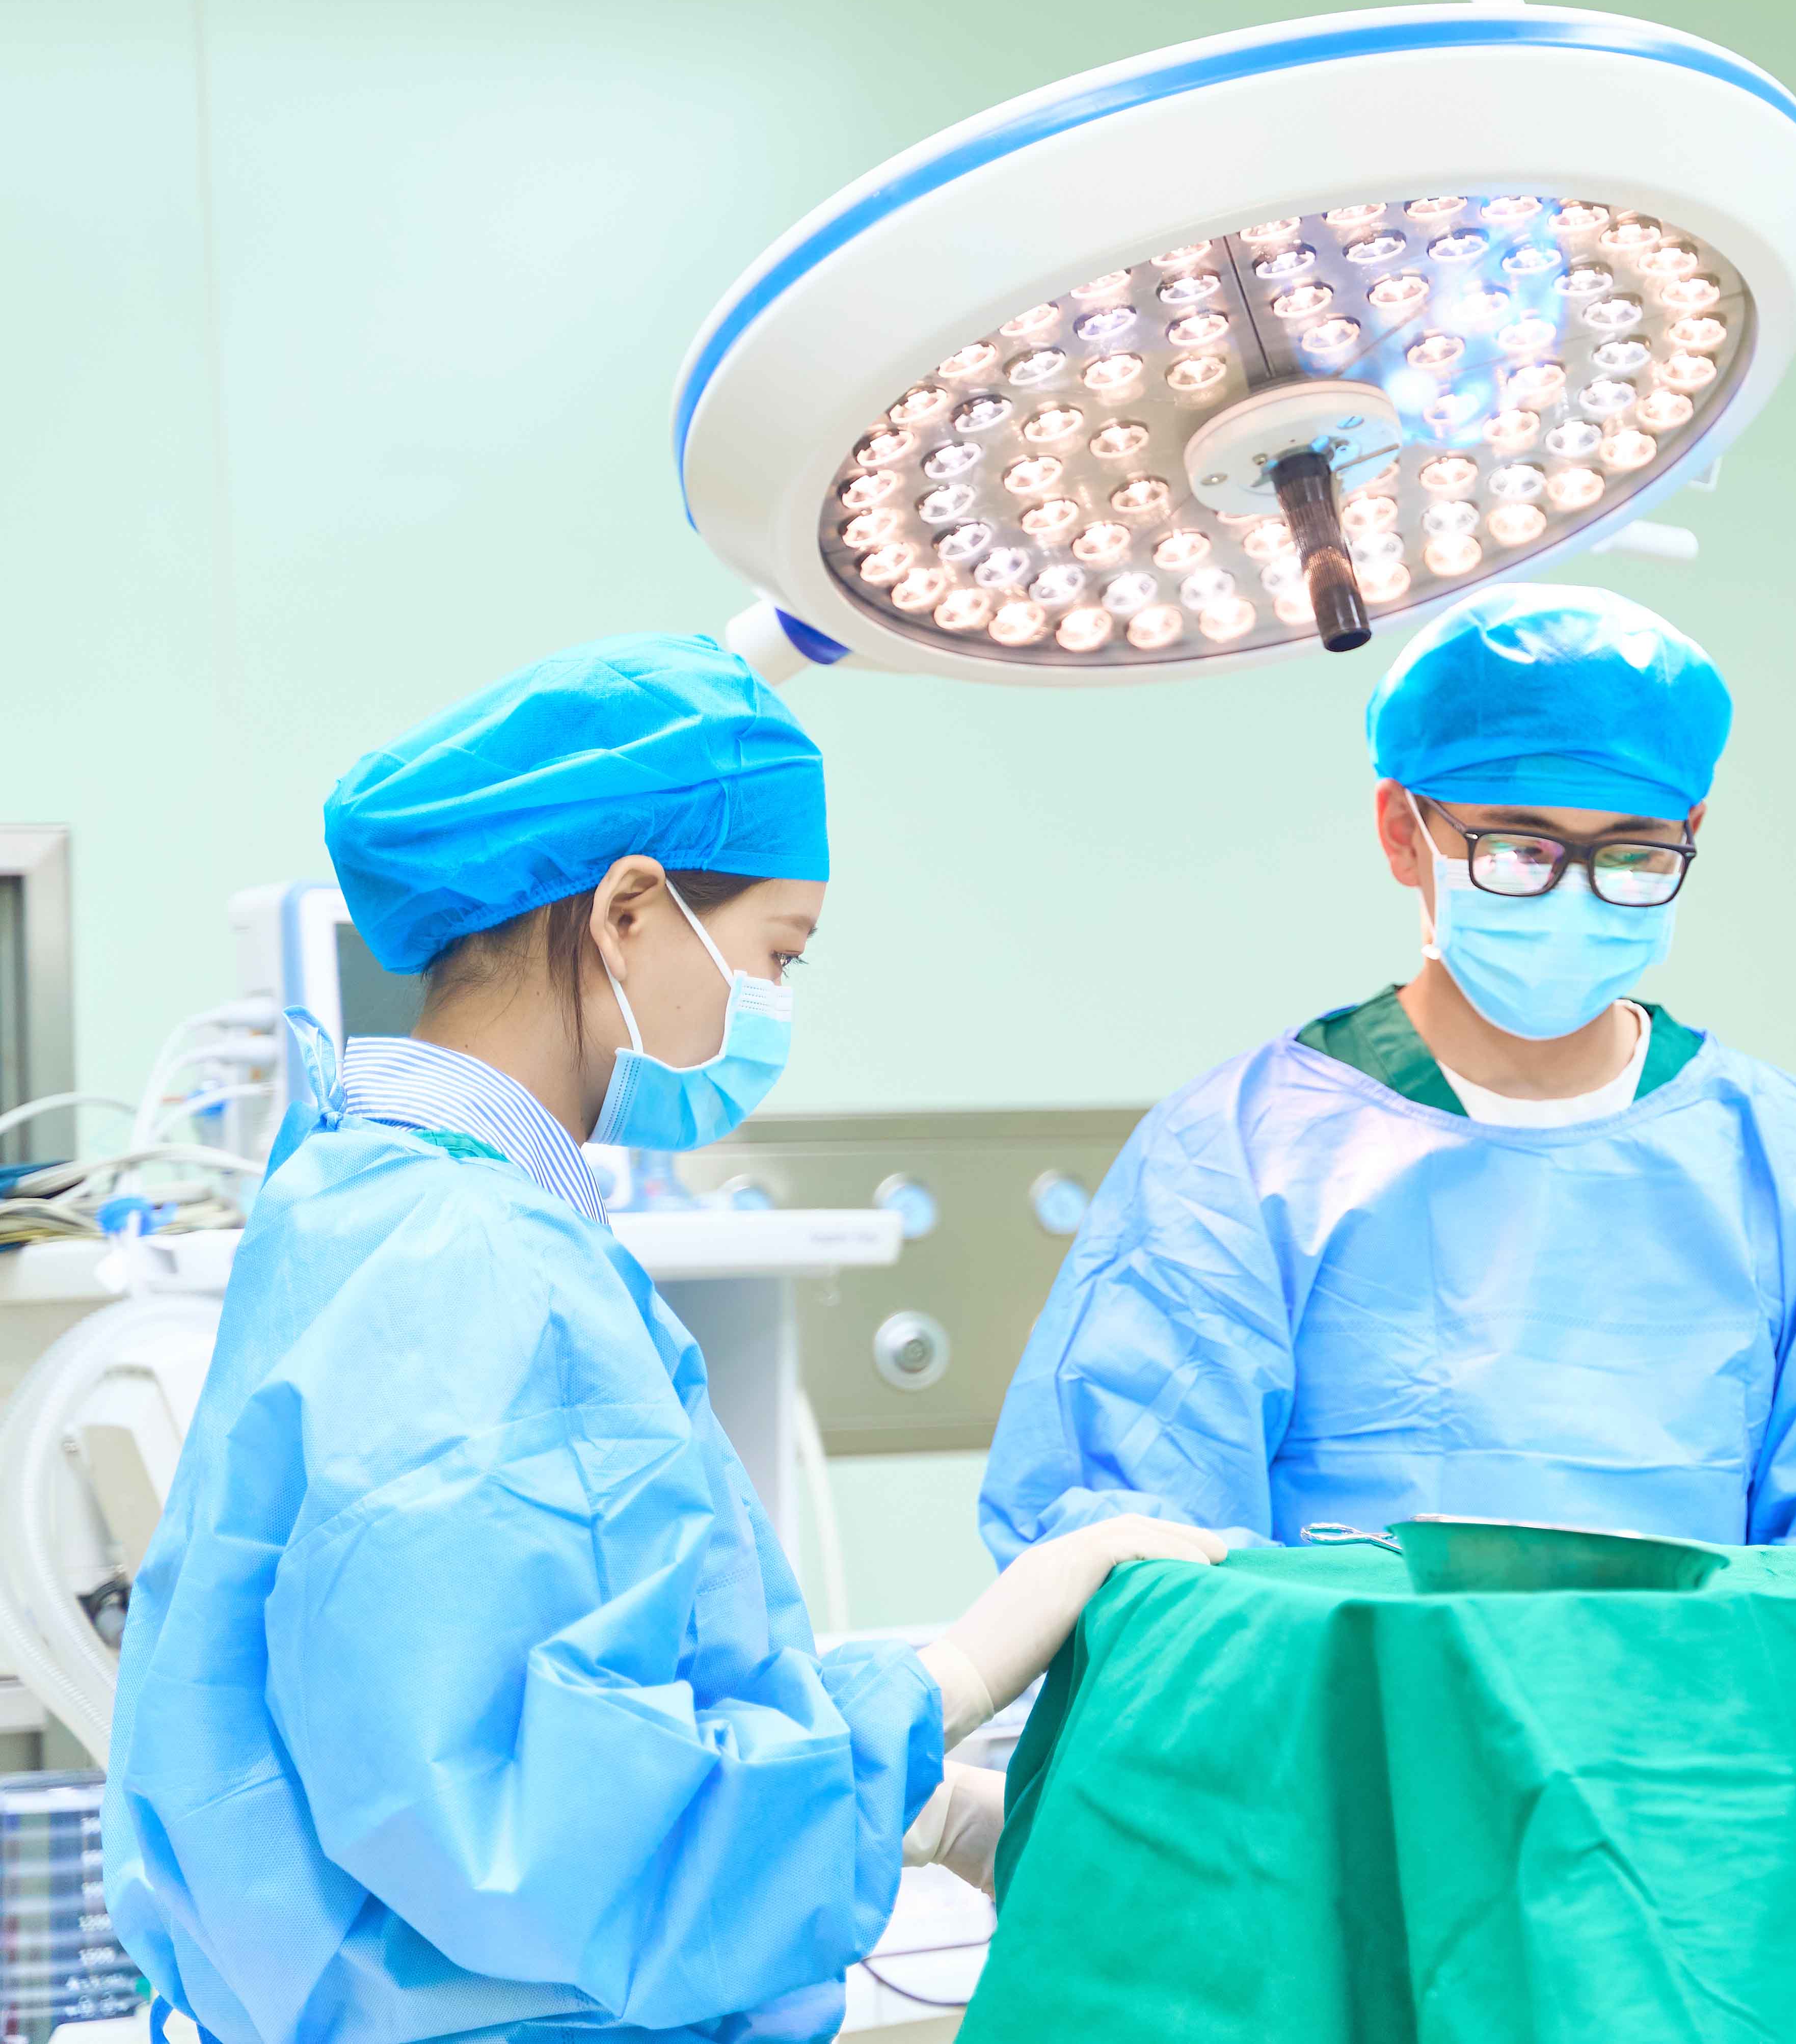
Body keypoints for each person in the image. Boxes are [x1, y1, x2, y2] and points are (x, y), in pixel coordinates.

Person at [108, 636, 1220, 2044]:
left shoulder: (364, 1195)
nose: (776, 1004)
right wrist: (958, 1674)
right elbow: (544, 1832)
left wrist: (929, 1807)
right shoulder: (477, 1264)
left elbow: (498, 1709)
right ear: (629, 909)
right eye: (778, 954)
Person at [981, 582, 1796, 1556]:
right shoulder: (1238, 1154)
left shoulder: (1788, 1158)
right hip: (1356, 1685)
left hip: (1703, 1685)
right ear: (1401, 833)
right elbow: (1138, 1557)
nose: (1572, 893)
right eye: (1517, 850)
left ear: (1691, 835)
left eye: (1631, 855)